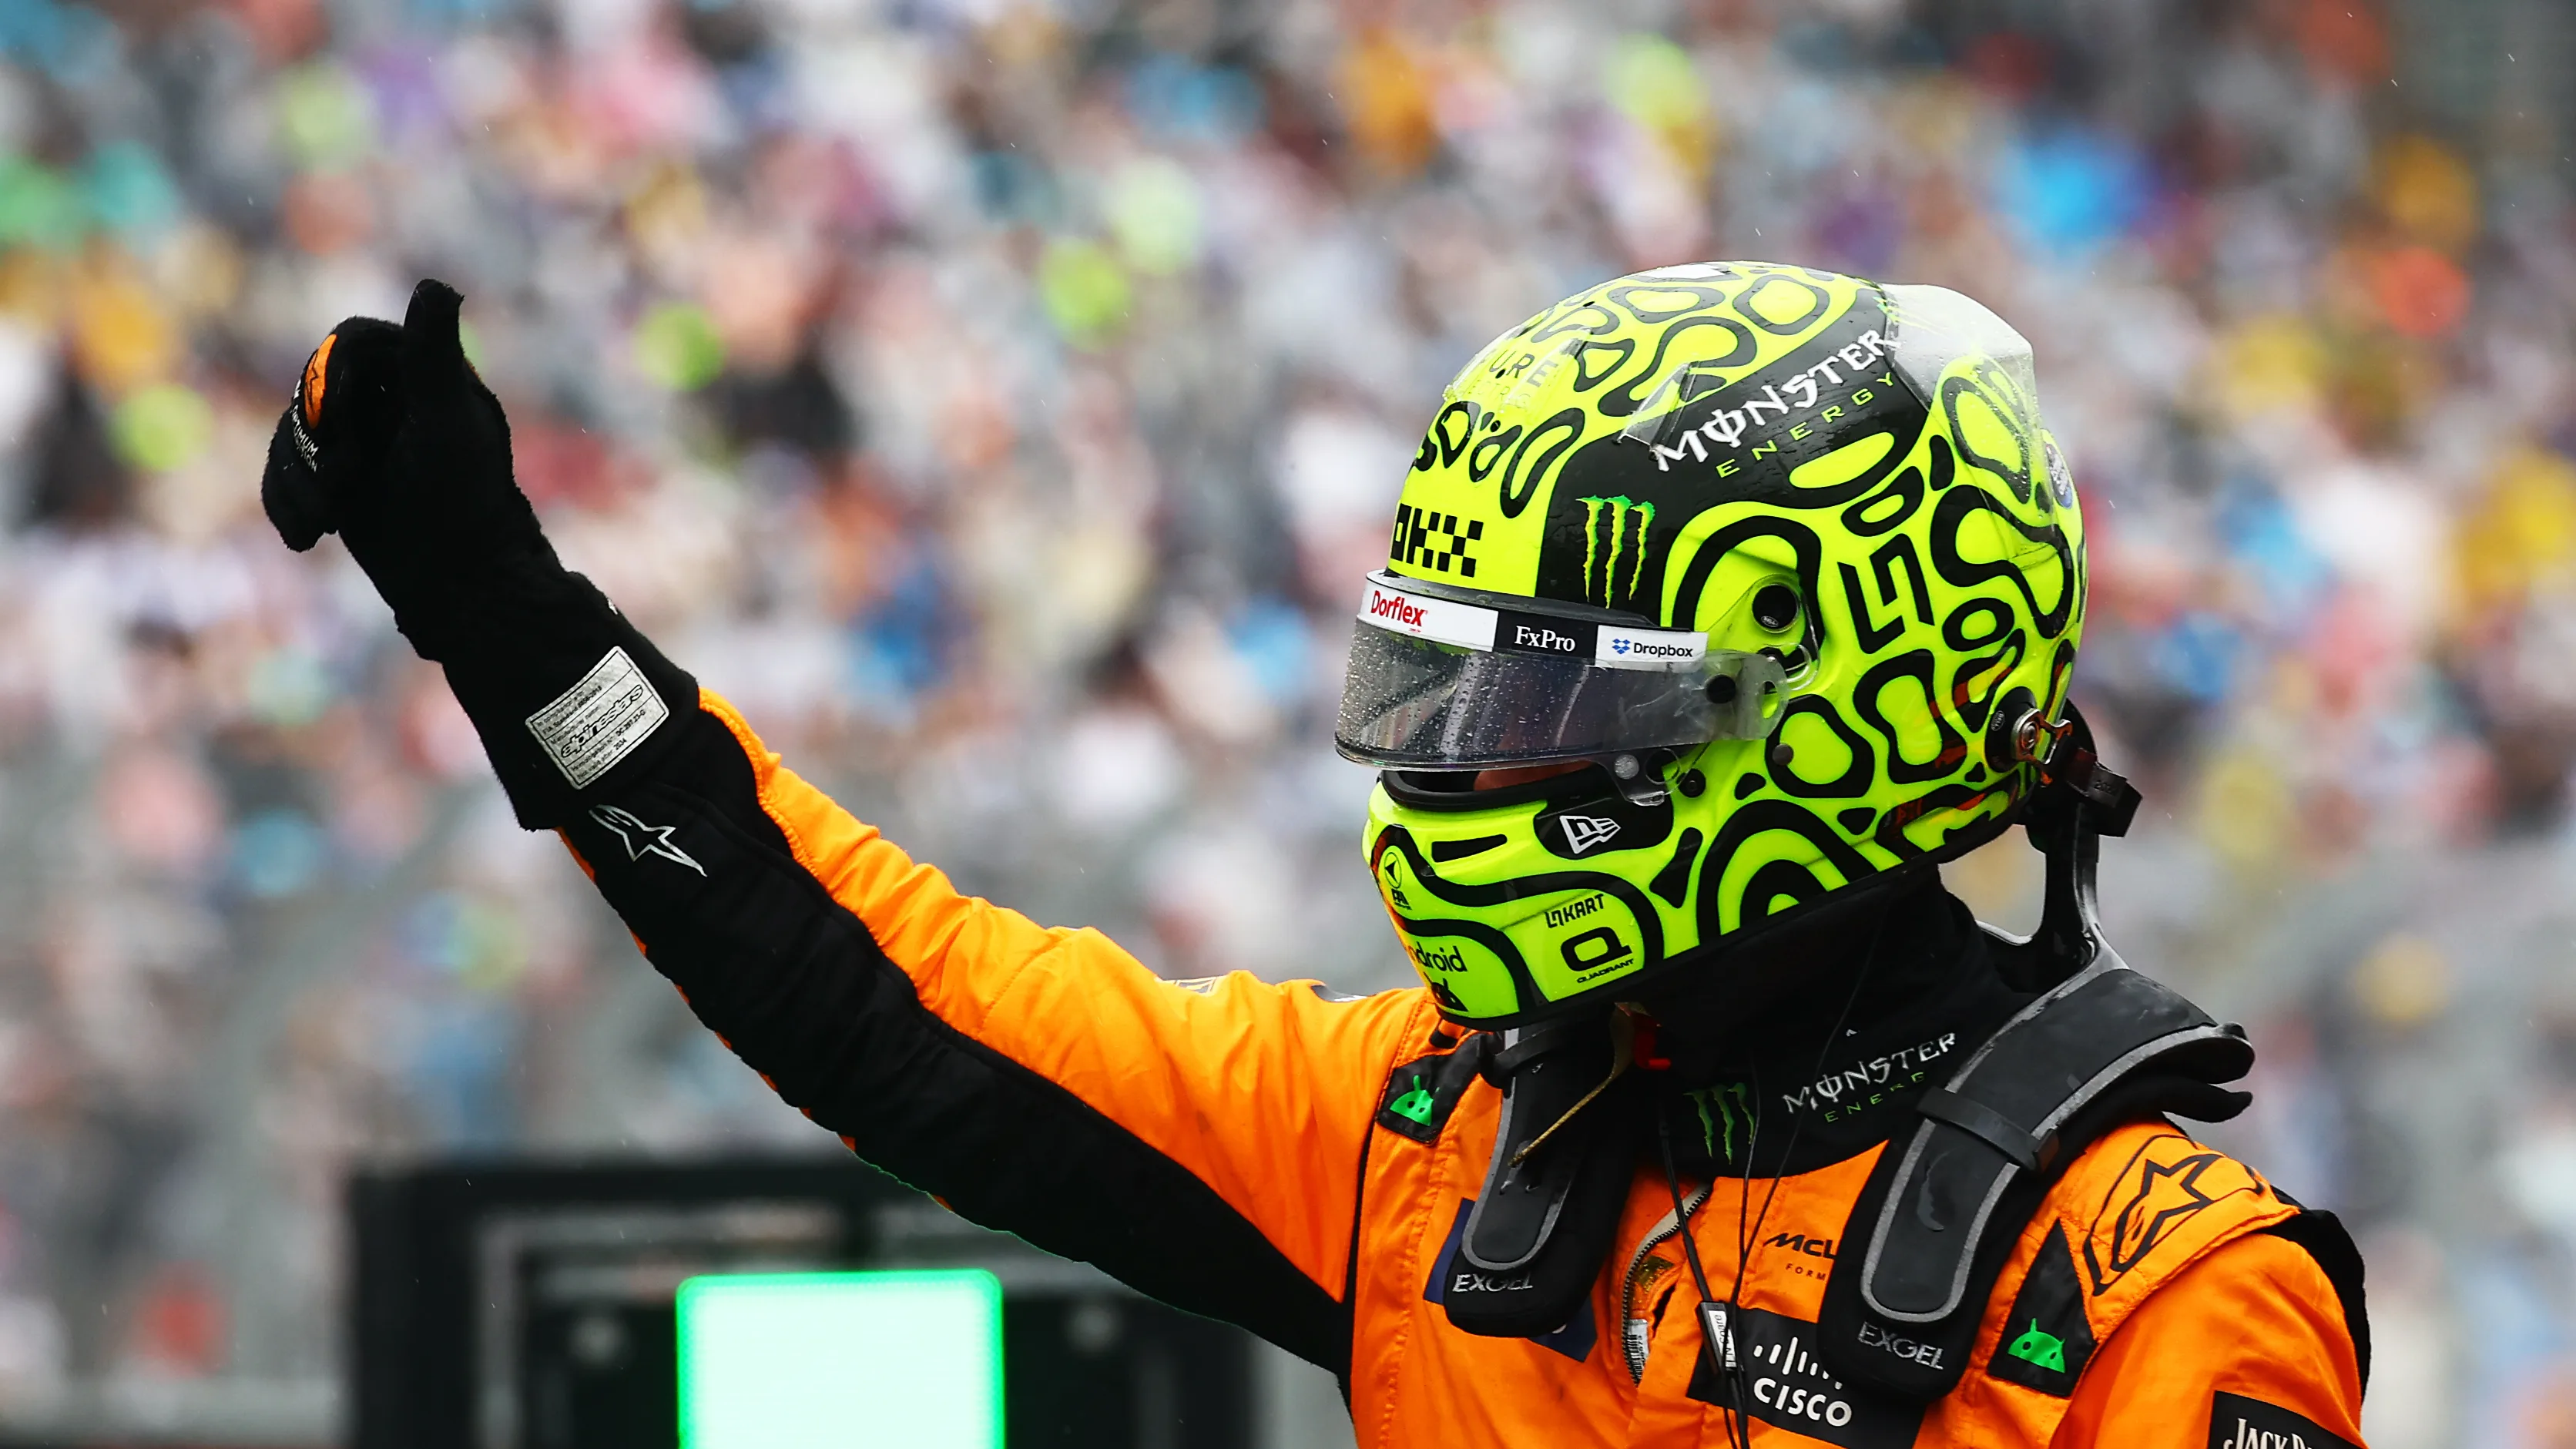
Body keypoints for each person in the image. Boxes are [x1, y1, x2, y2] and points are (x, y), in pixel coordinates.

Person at [262, 265, 2368, 1448]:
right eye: (1449, 697)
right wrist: (496, 599)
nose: (1470, 775)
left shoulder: (2161, 1288)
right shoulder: (1426, 1139)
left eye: (1554, 711)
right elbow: (887, 1004)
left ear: (1842, 711)